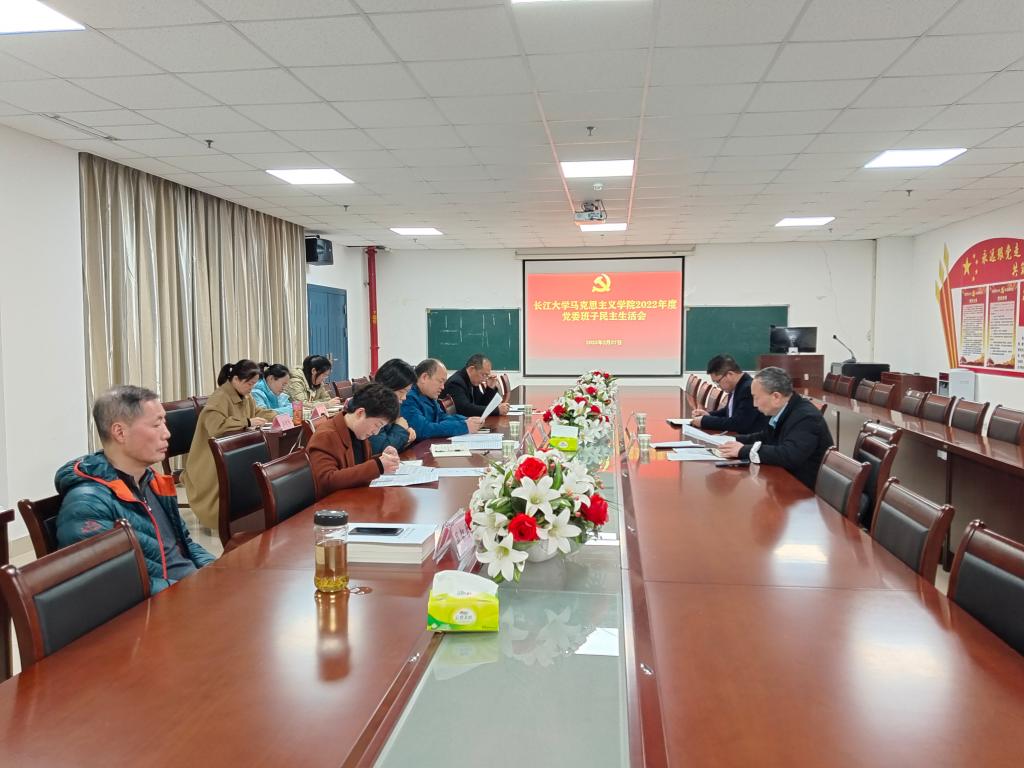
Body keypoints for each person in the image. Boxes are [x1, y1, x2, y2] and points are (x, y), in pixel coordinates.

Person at [55, 385, 214, 594]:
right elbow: (115, 586)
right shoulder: (87, 504)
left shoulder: (151, 481)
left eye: (164, 422)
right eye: (156, 424)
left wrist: (216, 571)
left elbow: (185, 544)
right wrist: (190, 590)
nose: (167, 433)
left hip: (188, 591)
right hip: (160, 604)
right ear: (120, 432)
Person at [182, 359, 278, 530]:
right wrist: (247, 422)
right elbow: (215, 427)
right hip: (210, 458)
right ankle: (225, 521)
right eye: (249, 383)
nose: (251, 388)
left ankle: (250, 515)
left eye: (254, 384)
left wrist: (277, 416)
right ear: (235, 379)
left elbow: (257, 412)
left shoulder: (245, 396)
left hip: (234, 451)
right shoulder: (219, 398)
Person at [717, 367, 834, 489]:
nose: (754, 404)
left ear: (776, 397)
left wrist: (743, 450)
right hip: (786, 481)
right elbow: (765, 436)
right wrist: (732, 440)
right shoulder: (784, 409)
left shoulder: (806, 417)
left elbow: (789, 455)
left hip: (803, 490)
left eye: (756, 398)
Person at [307, 382, 402, 496]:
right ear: (360, 413)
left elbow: (355, 465)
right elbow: (326, 481)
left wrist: (383, 458)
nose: (376, 432)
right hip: (333, 504)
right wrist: (378, 465)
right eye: (377, 425)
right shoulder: (326, 436)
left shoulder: (358, 432)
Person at [402, 358, 483, 438]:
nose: (443, 387)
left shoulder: (429, 396)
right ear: (424, 377)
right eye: (440, 381)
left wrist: (467, 420)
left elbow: (441, 417)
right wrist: (464, 426)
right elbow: (423, 430)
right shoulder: (407, 398)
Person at [691, 354, 767, 433]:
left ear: (730, 374)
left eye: (718, 381)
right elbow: (729, 411)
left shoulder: (748, 389)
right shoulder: (736, 386)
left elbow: (739, 423)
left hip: (747, 437)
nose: (718, 386)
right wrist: (708, 415)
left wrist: (705, 421)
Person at [369, 358, 418, 453]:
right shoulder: (372, 407)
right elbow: (381, 450)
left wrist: (407, 433)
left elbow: (395, 429)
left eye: (407, 392)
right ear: (387, 386)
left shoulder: (388, 405)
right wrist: (401, 429)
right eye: (401, 392)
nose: (404, 398)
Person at [443, 353, 510, 418]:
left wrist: (490, 388)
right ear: (471, 369)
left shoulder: (472, 381)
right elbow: (465, 409)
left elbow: (480, 404)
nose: (484, 379)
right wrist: (496, 410)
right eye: (483, 375)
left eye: (487, 375)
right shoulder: (456, 383)